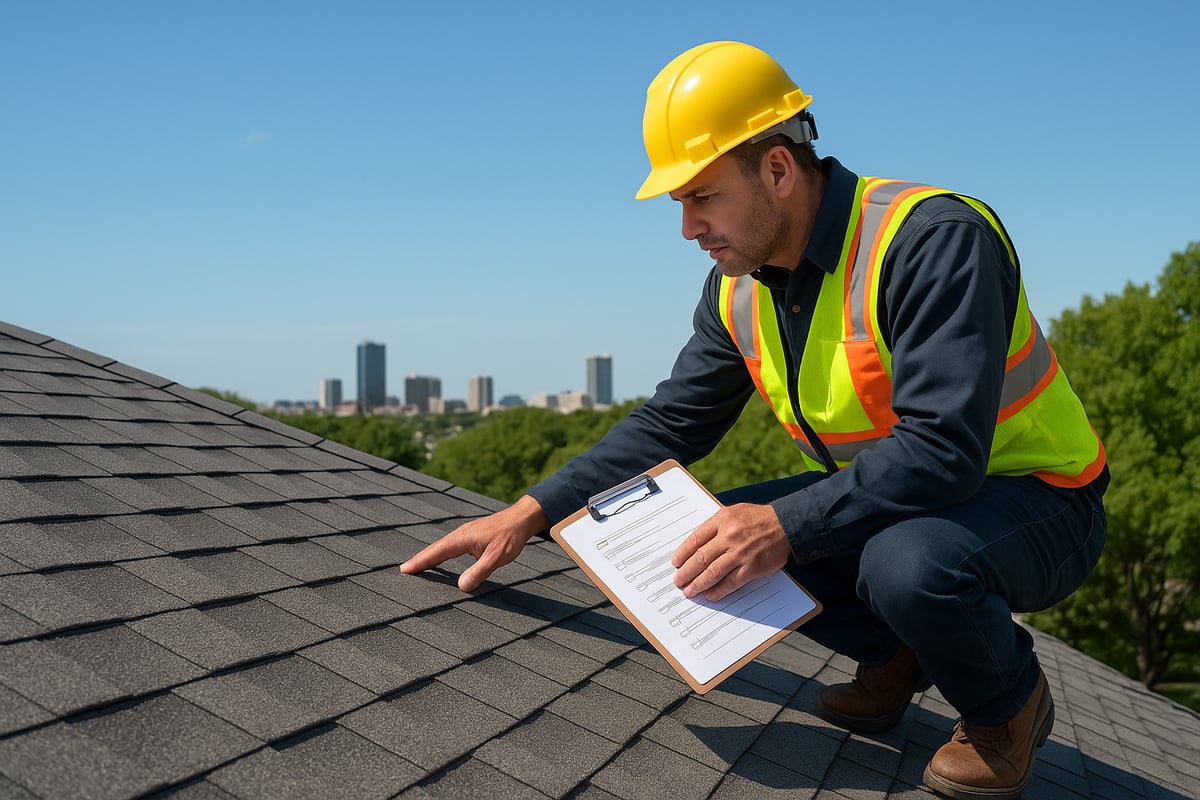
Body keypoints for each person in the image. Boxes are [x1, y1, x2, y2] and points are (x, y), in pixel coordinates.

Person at [402, 41, 1108, 800]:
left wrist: (783, 527)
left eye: (700, 196)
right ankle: (905, 651)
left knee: (902, 564)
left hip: (1042, 500)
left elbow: (944, 450)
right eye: (679, 203)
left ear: (776, 169)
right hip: (913, 498)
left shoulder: (931, 241)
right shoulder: (739, 288)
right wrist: (528, 514)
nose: (686, 228)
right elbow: (672, 423)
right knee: (698, 539)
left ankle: (1008, 704)